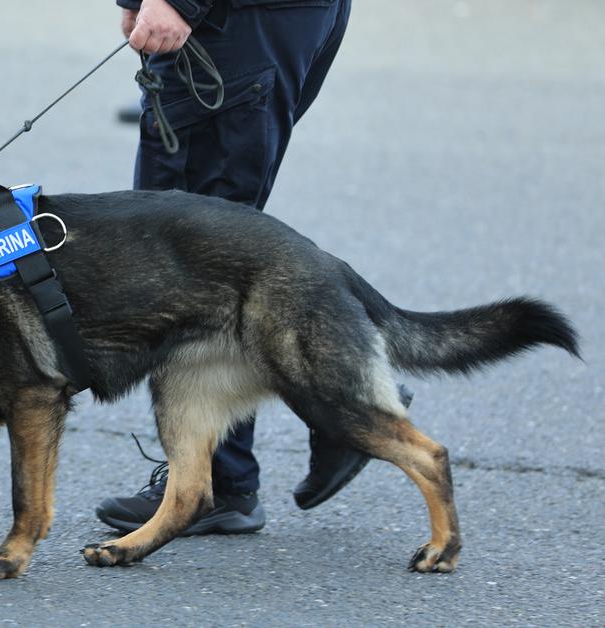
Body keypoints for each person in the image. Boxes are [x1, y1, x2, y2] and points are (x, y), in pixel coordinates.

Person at [96, 0, 414, 535]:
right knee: (211, 252)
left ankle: (330, 411)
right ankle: (241, 466)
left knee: (185, 261)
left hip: (238, 20)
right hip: (261, 18)